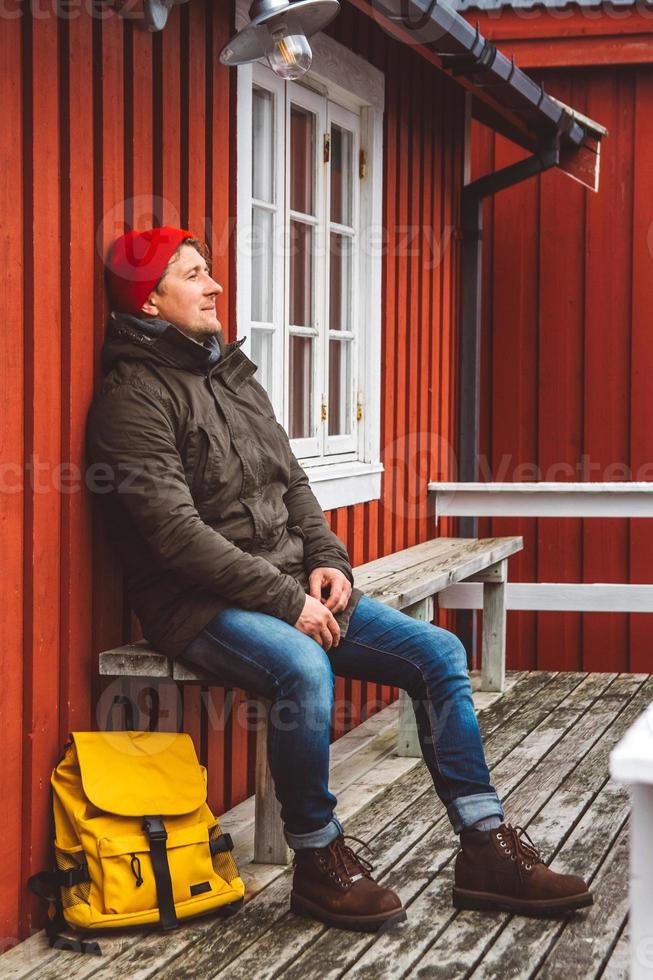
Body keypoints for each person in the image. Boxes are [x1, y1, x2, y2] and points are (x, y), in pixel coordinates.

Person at [86, 226, 592, 933]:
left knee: (438, 653)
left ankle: (484, 847)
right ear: (148, 303)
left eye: (209, 271)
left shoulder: (232, 377)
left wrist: (329, 562)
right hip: (196, 605)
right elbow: (174, 535)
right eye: (194, 274)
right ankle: (319, 863)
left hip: (289, 582)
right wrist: (286, 600)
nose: (215, 285)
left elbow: (292, 483)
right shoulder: (132, 400)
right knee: (303, 667)